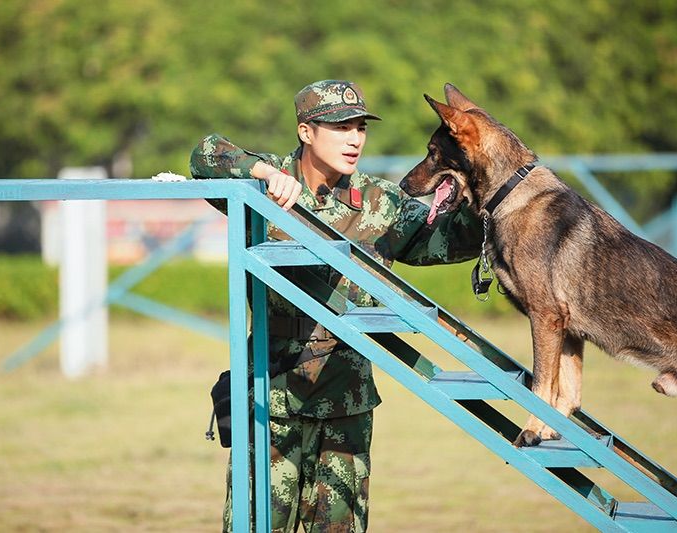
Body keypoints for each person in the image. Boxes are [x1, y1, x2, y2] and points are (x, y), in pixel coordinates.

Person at [189, 80, 482, 532]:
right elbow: (204, 155)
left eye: (360, 127)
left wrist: (480, 183)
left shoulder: (381, 202)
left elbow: (450, 241)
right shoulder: (261, 186)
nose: (355, 139)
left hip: (345, 405)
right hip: (272, 404)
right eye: (340, 127)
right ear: (306, 132)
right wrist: (264, 175)